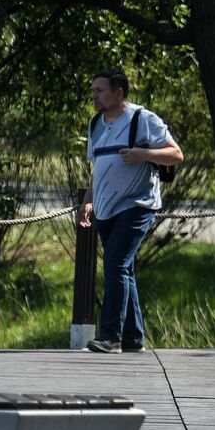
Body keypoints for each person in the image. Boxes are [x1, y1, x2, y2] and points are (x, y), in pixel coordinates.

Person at [76, 69, 183, 354]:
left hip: (137, 205)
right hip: (106, 209)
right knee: (123, 269)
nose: (94, 96)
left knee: (115, 264)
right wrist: (88, 201)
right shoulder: (96, 124)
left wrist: (144, 155)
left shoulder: (142, 119)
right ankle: (134, 338)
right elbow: (98, 167)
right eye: (93, 90)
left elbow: (176, 154)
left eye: (99, 90)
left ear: (119, 93)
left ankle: (111, 335)